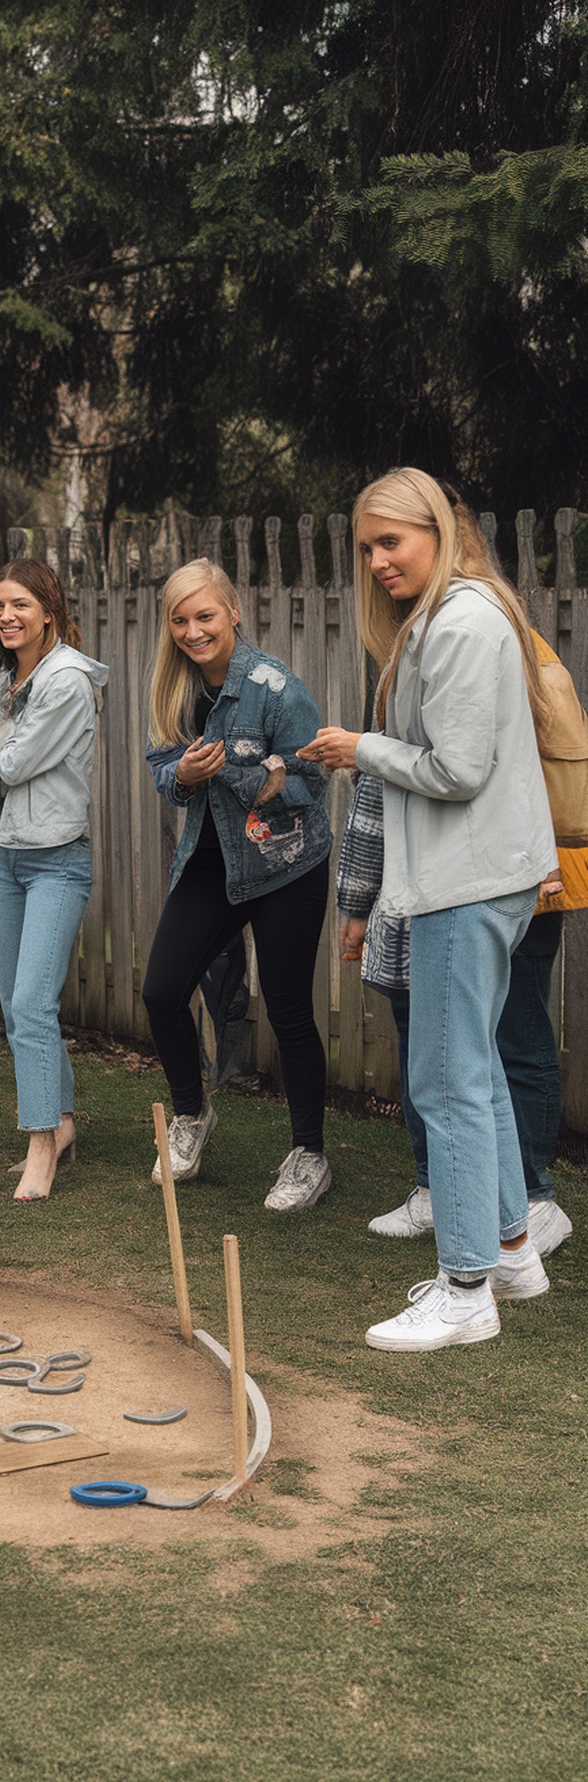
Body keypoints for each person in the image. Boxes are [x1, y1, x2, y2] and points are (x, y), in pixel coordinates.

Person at [300, 468, 557, 1352]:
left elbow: (458, 769)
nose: (377, 560)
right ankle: (514, 1253)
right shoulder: (459, 615)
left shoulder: (462, 622)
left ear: (439, 532)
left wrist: (358, 747)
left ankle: (463, 1290)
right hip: (480, 876)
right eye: (366, 546)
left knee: (444, 1083)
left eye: (392, 542)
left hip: (467, 881)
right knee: (474, 1072)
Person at [142, 558, 332, 1207]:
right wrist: (187, 775)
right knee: (162, 990)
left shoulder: (273, 687)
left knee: (288, 1009)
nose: (193, 631)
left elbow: (314, 779)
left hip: (285, 866)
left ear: (233, 613)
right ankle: (192, 1115)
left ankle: (308, 1154)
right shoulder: (175, 686)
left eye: (205, 616)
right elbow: (160, 768)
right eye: (181, 619)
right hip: (211, 861)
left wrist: (255, 778)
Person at [0, 558, 107, 1204]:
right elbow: (3, 756)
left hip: (57, 859)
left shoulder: (66, 682)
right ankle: (59, 1122)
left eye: (20, 604)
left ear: (49, 610)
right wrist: (1, 731)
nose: (6, 615)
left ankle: (39, 1147)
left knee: (31, 1004)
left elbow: (13, 759)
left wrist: (0, 732)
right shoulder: (8, 675)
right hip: (6, 851)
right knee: (16, 1005)